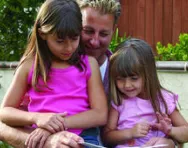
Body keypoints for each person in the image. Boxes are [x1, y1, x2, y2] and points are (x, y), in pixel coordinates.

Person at [0, 0, 179, 147]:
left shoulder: (127, 71)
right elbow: (4, 122)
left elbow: (169, 121)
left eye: (104, 33)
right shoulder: (34, 67)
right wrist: (46, 134)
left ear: (114, 30)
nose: (94, 41)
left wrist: (169, 139)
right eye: (88, 31)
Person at [0, 0, 108, 148]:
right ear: (43, 34)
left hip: (82, 136)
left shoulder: (89, 64)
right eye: (59, 41)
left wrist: (56, 124)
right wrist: (37, 118)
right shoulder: (29, 66)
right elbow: (5, 112)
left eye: (74, 38)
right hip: (40, 137)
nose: (69, 47)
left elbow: (100, 114)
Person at [103, 38, 188, 147]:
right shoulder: (119, 100)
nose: (127, 85)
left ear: (148, 74)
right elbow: (107, 137)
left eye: (134, 78)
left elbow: (186, 132)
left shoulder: (163, 99)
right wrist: (130, 133)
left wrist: (170, 130)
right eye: (120, 79)